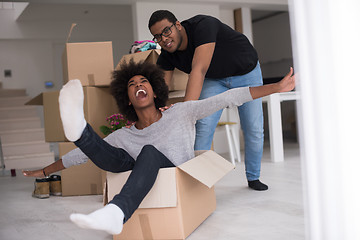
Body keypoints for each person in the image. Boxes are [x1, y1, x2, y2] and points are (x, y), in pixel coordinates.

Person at [23, 60, 295, 235]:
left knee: (148, 152)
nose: (138, 85)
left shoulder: (182, 112)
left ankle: (117, 212)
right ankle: (79, 131)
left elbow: (228, 97)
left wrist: (276, 87)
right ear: (128, 100)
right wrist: (45, 171)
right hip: (134, 166)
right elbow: (82, 156)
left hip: (174, 172)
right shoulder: (124, 134)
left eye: (143, 82)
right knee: (114, 153)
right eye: (132, 85)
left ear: (154, 92)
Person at [148, 10, 269, 190]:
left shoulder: (203, 26)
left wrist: (184, 114)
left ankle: (253, 177)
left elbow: (199, 70)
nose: (164, 39)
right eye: (157, 37)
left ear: (178, 25)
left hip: (246, 72)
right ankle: (198, 180)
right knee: (203, 126)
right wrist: (152, 117)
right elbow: (160, 89)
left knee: (253, 128)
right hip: (215, 79)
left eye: (166, 31)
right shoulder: (167, 54)